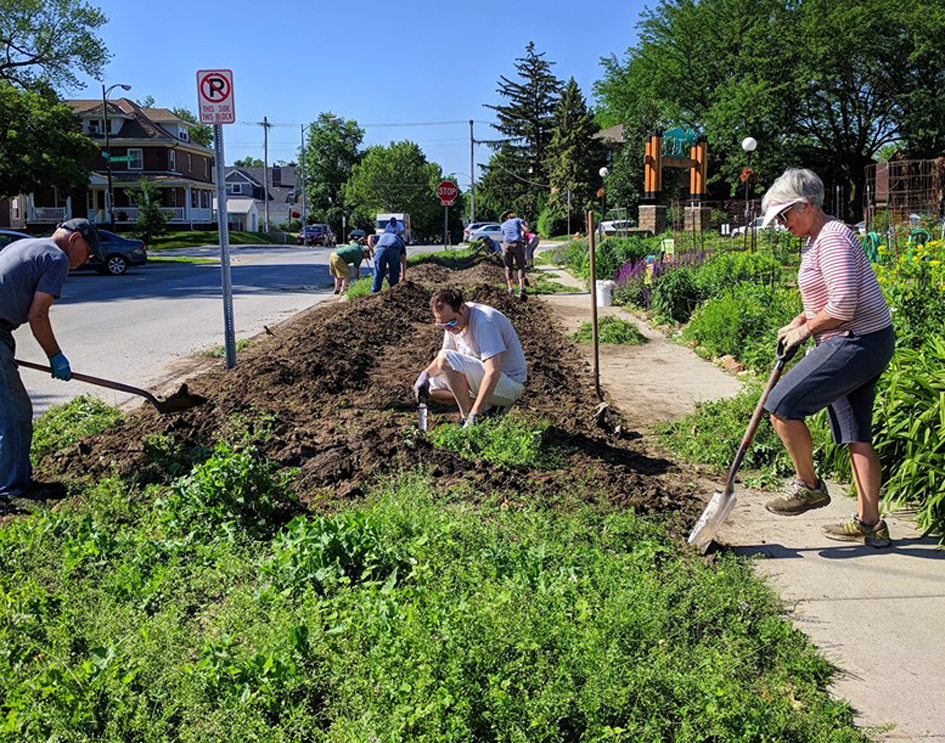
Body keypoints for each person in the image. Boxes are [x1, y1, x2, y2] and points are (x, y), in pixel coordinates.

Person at [759, 168, 895, 547]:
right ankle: (871, 524)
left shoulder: (832, 239)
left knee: (781, 406)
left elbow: (844, 305)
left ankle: (809, 486)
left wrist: (805, 331)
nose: (782, 224)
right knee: (857, 436)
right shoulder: (818, 237)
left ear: (806, 205)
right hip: (865, 341)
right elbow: (827, 297)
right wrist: (799, 320)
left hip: (854, 342)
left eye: (785, 216)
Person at [0, 218, 102, 505]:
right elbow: (38, 315)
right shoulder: (56, 258)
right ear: (75, 238)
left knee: (7, 412)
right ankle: (10, 491)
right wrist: (55, 356)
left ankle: (14, 480)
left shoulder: (24, 246)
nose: (87, 259)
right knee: (16, 415)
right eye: (88, 251)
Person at [412, 288, 527, 427]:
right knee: (431, 387)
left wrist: (474, 415)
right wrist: (425, 375)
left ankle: (468, 419)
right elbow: (447, 354)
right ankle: (488, 408)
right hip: (484, 380)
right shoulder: (453, 322)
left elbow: (493, 372)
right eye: (442, 325)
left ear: (462, 307)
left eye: (451, 323)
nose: (448, 328)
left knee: (445, 359)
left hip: (508, 385)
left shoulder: (485, 322)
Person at [500, 210, 529, 297]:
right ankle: (521, 289)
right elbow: (526, 230)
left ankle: (510, 288)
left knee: (508, 267)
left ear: (506, 218)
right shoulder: (518, 220)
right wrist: (524, 233)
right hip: (517, 244)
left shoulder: (503, 225)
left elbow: (504, 234)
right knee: (520, 266)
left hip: (506, 245)